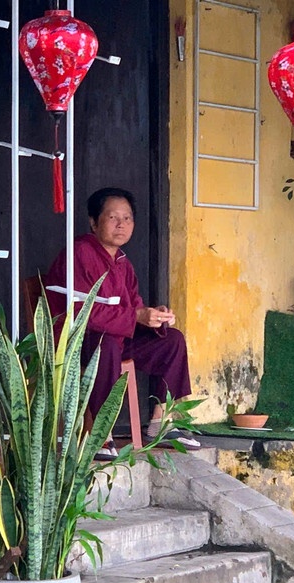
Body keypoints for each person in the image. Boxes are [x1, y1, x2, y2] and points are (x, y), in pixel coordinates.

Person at [44, 187, 199, 450]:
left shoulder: (122, 262)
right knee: (106, 346)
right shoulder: (79, 253)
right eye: (113, 217)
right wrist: (136, 316)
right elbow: (84, 312)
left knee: (172, 340)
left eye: (127, 218)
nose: (121, 224)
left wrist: (154, 317)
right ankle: (100, 433)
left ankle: (159, 424)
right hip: (77, 342)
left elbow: (133, 306)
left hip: (117, 338)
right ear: (94, 222)